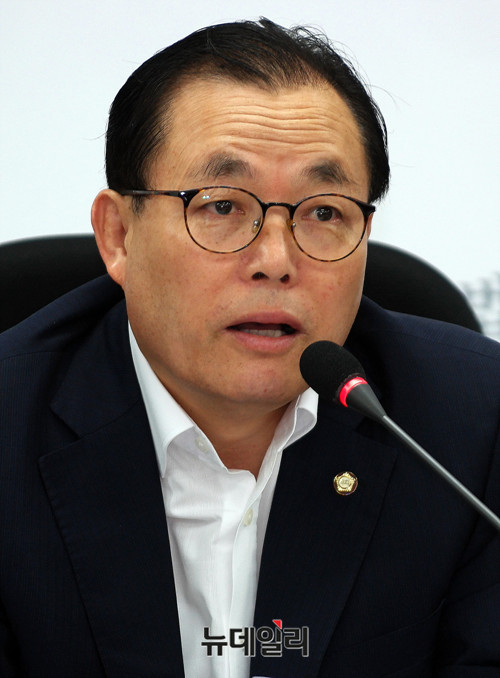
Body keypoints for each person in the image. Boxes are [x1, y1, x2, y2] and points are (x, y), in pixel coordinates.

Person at [0, 18, 499, 678]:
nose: (276, 261)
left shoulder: (472, 422)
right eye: (221, 206)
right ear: (118, 235)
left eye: (324, 212)